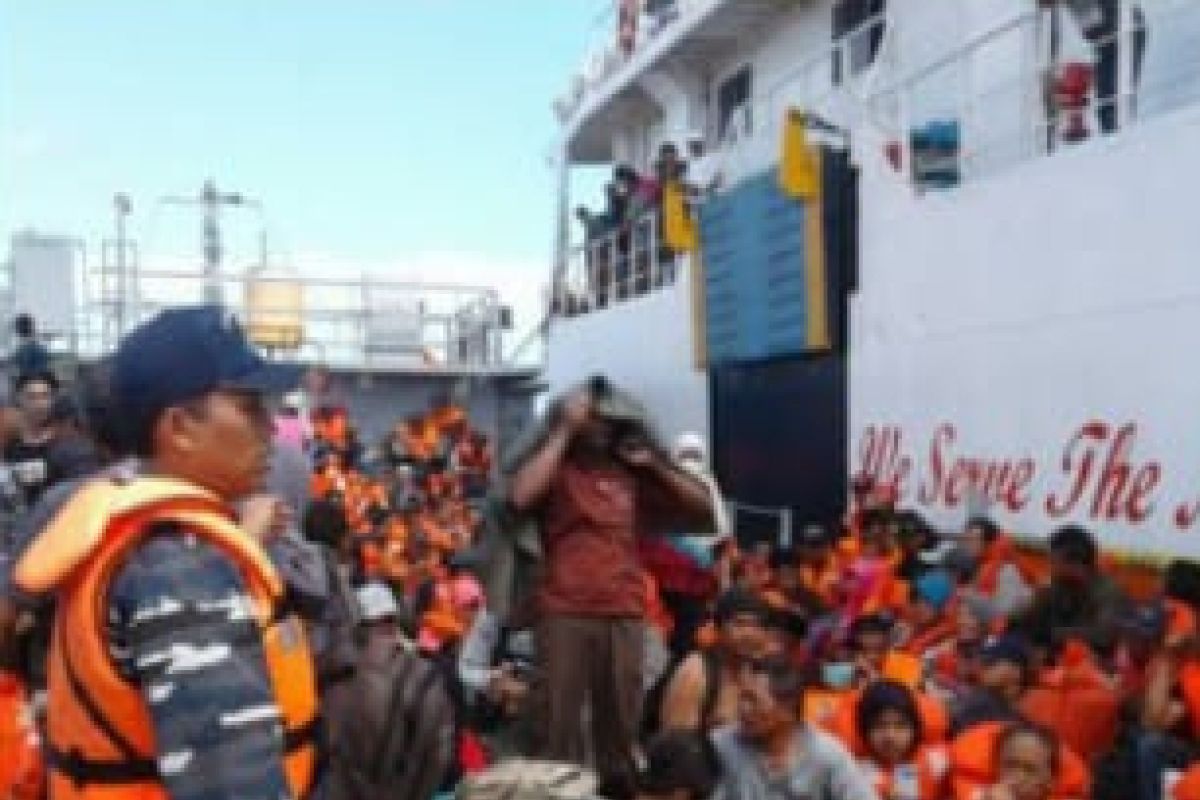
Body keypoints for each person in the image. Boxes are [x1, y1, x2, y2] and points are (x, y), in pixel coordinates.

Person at [10, 306, 320, 799]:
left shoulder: (127, 532)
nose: (269, 427)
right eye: (249, 406)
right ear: (179, 428)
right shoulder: (182, 569)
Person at [507, 377, 714, 781]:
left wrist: (652, 461)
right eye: (592, 419)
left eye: (607, 420)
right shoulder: (557, 467)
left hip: (623, 608)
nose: (599, 426)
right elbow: (519, 496)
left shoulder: (633, 473)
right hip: (564, 608)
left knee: (620, 728)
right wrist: (564, 431)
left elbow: (702, 509)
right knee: (557, 726)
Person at [710, 656, 880, 800]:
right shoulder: (720, 745)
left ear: (787, 707)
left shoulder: (826, 753)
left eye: (753, 700)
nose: (743, 708)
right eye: (742, 698)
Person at [656, 589, 771, 734]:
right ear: (719, 629)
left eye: (757, 626)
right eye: (739, 624)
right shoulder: (696, 671)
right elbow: (676, 745)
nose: (749, 634)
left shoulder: (758, 671)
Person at [1041, 0, 1147, 134]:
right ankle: (1115, 143)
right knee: (1105, 105)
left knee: (1114, 104)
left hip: (1126, 30)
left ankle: (1122, 142)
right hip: (1105, 46)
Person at [2, 371, 98, 510]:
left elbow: (86, 491)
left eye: (45, 396)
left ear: (54, 399)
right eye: (31, 397)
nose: (40, 404)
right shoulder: (12, 448)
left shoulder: (72, 444)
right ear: (18, 400)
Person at [848, 680, 950, 800]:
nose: (890, 736)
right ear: (864, 730)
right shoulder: (853, 773)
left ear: (915, 728)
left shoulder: (939, 763)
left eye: (900, 725)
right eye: (879, 726)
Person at [9, 314, 51, 382]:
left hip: (31, 383)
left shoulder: (24, 350)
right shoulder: (38, 347)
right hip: (36, 383)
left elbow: (25, 372)